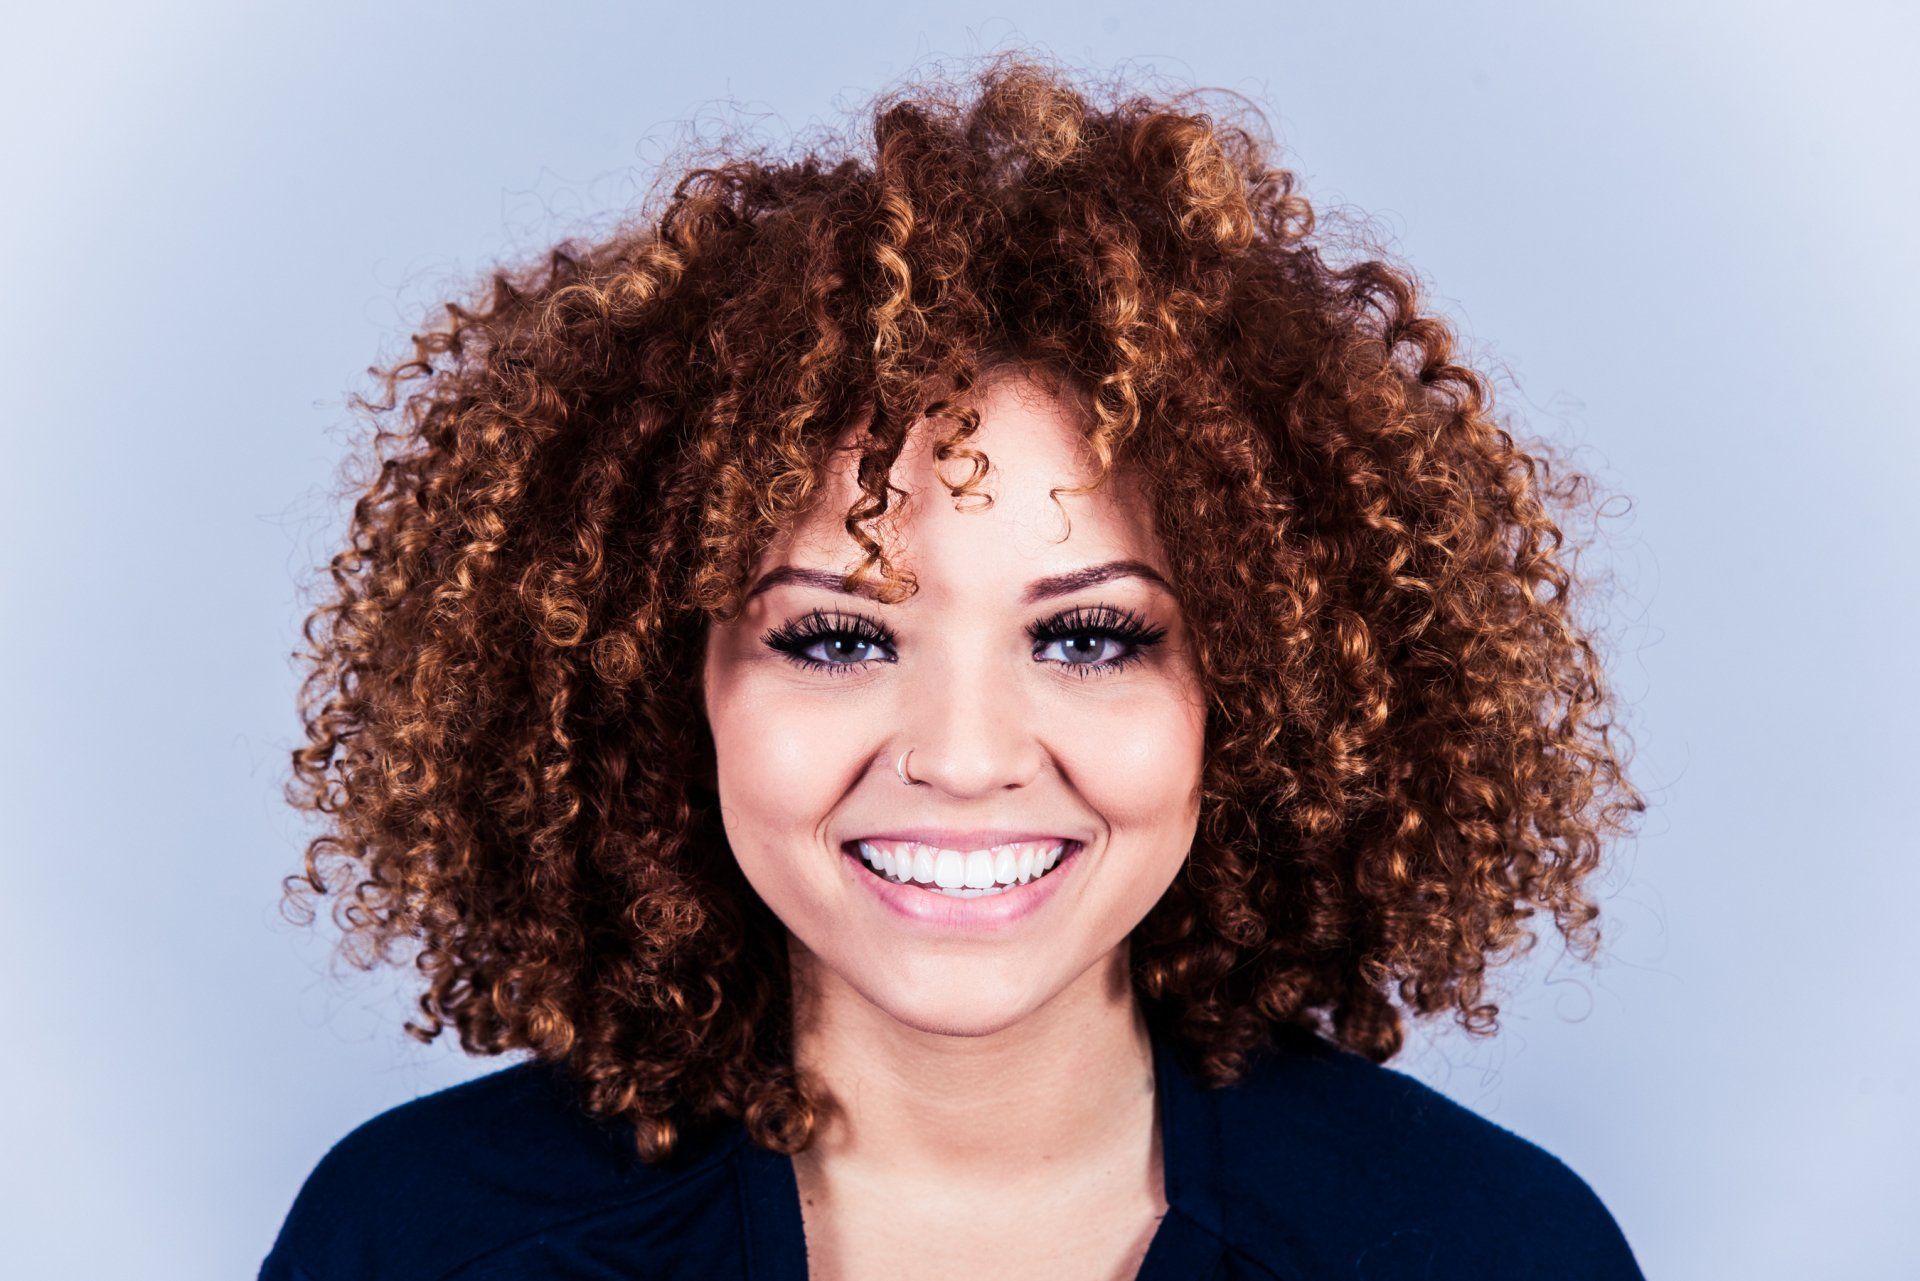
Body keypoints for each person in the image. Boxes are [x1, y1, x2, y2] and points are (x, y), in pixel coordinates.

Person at [261, 52, 1648, 1280]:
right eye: (838, 637)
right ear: (662, 692)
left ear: (1264, 695)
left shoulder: (1488, 1251)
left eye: (1089, 637)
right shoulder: (422, 1244)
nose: (967, 756)